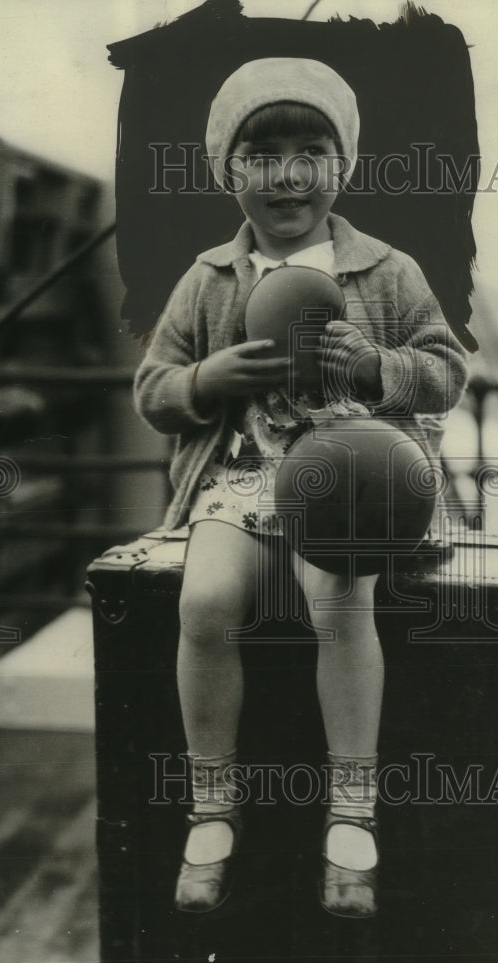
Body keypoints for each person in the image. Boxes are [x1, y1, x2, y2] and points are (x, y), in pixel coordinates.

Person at [134, 57, 468, 918]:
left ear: (342, 164)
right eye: (263, 154)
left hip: (346, 480)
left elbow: (444, 373)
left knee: (341, 595)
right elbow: (153, 391)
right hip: (240, 482)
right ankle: (212, 806)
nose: (288, 174)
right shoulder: (208, 278)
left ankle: (351, 810)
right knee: (203, 601)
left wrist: (374, 367)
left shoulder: (387, 270)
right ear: (228, 170)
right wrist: (208, 376)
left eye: (312, 150)